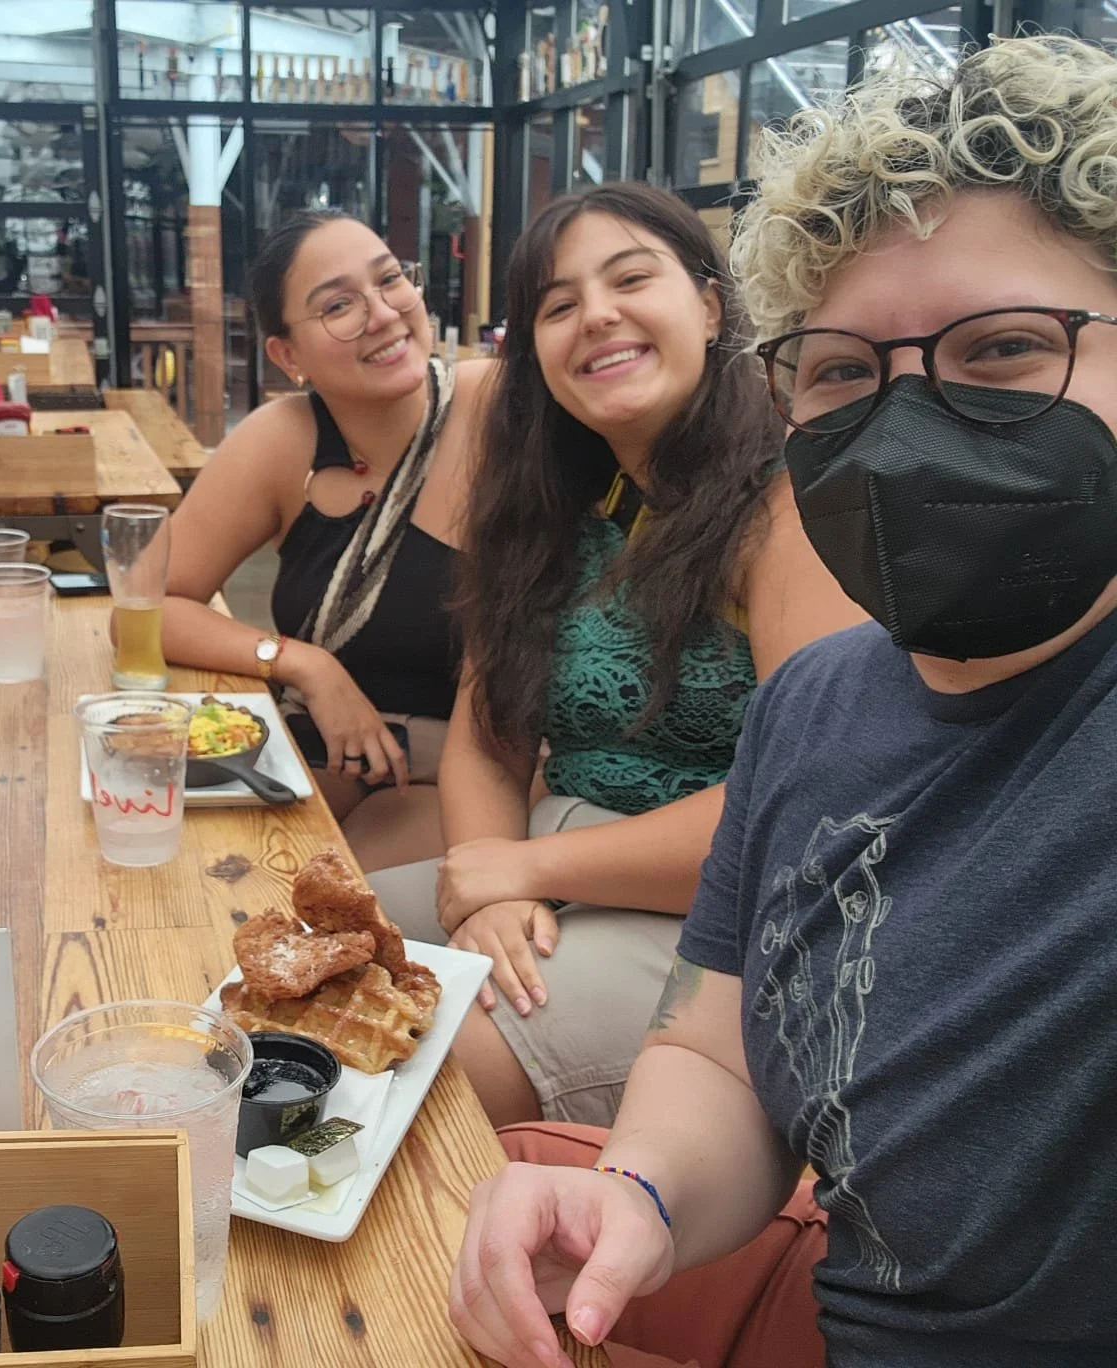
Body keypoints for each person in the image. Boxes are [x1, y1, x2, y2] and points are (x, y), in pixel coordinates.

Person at [451, 34, 1117, 1368]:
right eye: (841, 373)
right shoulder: (820, 706)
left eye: (1001, 350)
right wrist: (637, 1186)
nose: (910, 423)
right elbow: (720, 1049)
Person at [370, 182, 861, 1130]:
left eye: (631, 278)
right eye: (558, 306)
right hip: (557, 860)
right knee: (298, 962)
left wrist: (525, 872)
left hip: (726, 922)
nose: (596, 315)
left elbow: (803, 809)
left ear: (712, 305)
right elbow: (485, 740)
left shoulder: (787, 502)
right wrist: (487, 883)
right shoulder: (549, 507)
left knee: (415, 1074)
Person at [160, 212, 493, 871]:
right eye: (338, 305)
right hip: (319, 751)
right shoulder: (280, 439)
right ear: (288, 356)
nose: (383, 313)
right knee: (186, 879)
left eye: (390, 279)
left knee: (314, 912)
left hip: (468, 774)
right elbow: (147, 607)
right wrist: (305, 665)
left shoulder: (494, 404)